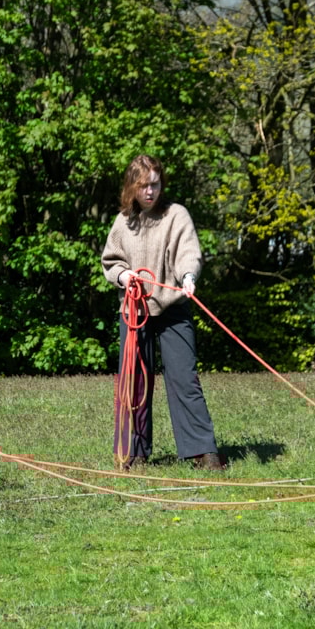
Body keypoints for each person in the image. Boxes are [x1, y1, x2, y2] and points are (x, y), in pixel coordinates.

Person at [101, 154, 225, 471]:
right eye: (144, 186)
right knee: (134, 382)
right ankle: (134, 452)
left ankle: (202, 452)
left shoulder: (176, 215)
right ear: (132, 187)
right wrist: (124, 276)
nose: (150, 191)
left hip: (174, 308)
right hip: (134, 310)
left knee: (184, 378)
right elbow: (111, 262)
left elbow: (188, 253)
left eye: (155, 185)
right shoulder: (122, 222)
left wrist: (188, 277)